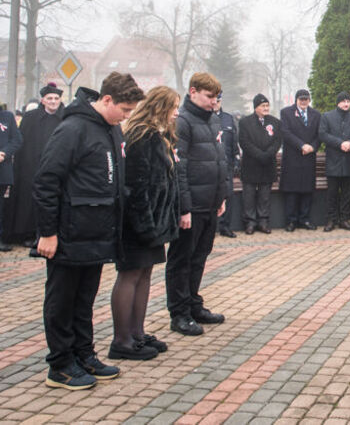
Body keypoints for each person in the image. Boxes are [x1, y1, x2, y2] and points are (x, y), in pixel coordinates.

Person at [35, 73, 145, 390]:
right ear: (106, 100)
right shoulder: (72, 129)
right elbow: (46, 182)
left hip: (97, 233)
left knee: (84, 301)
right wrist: (48, 233)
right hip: (68, 233)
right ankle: (60, 365)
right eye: (124, 110)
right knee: (62, 301)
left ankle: (83, 355)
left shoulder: (110, 129)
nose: (127, 116)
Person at [109, 86, 180, 361]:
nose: (176, 112)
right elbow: (136, 186)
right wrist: (145, 225)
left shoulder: (159, 135)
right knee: (130, 275)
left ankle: (137, 333)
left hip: (154, 221)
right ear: (160, 106)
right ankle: (122, 340)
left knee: (145, 275)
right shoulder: (142, 136)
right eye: (173, 106)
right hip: (139, 223)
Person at [166, 72, 230, 337]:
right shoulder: (183, 122)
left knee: (199, 258)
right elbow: (180, 168)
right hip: (191, 206)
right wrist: (185, 208)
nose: (213, 102)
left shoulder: (213, 121)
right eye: (208, 96)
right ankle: (179, 313)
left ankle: (193, 303)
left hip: (210, 203)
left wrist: (221, 197)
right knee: (182, 260)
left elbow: (219, 160)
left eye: (216, 97)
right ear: (193, 92)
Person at [6, 82, 62, 248]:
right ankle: (27, 232)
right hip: (30, 166)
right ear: (43, 100)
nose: (53, 101)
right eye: (49, 98)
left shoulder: (65, 117)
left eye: (56, 98)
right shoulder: (30, 118)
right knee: (27, 200)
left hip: (54, 167)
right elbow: (21, 142)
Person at [237, 94, 281, 234]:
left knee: (264, 196)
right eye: (263, 106)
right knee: (249, 196)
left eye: (267, 105)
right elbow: (244, 142)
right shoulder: (245, 122)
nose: (266, 108)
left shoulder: (275, 122)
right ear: (256, 107)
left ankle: (263, 222)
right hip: (251, 165)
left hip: (267, 165)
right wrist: (259, 155)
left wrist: (267, 154)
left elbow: (278, 141)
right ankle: (250, 222)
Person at [279, 89, 321, 231]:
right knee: (292, 191)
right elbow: (285, 132)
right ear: (296, 100)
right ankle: (291, 221)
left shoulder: (316, 114)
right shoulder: (286, 113)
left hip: (309, 157)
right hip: (293, 158)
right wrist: (301, 145)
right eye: (301, 99)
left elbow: (319, 135)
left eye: (306, 99)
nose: (304, 102)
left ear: (309, 100)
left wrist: (312, 147)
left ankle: (305, 219)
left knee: (307, 190)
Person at [319, 91, 350, 232]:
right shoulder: (327, 116)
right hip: (333, 160)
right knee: (332, 193)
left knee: (346, 193)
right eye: (343, 101)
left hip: (348, 160)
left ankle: (344, 219)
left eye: (348, 101)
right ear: (338, 103)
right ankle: (331, 220)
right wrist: (340, 143)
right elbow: (323, 134)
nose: (346, 104)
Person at [213, 93, 239, 239]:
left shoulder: (228, 118)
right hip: (210, 164)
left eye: (218, 100)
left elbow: (234, 142)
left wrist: (236, 159)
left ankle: (225, 227)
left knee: (228, 195)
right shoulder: (205, 118)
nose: (216, 103)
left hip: (226, 164)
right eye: (214, 100)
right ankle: (212, 227)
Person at [0, 103, 23, 252]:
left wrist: (4, 153)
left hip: (2, 170)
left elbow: (17, 140)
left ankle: (1, 238)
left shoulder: (7, 117)